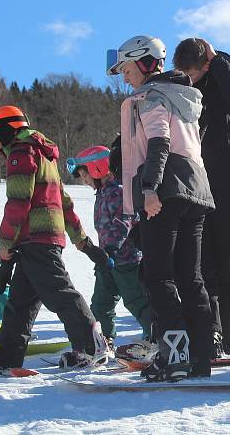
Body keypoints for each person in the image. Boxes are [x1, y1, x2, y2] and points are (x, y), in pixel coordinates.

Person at [109, 34, 214, 381]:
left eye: (126, 69)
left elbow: (159, 142)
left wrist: (150, 188)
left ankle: (175, 356)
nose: (125, 77)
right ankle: (201, 355)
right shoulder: (182, 97)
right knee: (190, 275)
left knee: (158, 275)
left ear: (142, 62)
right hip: (196, 190)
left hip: (165, 190)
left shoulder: (152, 98)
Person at [0, 105, 108, 373]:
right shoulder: (43, 154)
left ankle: (92, 347)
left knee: (59, 292)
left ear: (6, 130)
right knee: (20, 302)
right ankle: (5, 355)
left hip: (35, 237)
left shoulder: (20, 153)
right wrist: (83, 241)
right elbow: (63, 201)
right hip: (42, 237)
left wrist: (5, 245)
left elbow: (17, 202)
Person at [172, 38, 230, 358]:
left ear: (206, 64)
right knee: (202, 266)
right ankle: (212, 334)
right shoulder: (185, 88)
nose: (187, 79)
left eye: (190, 72)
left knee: (229, 264)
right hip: (198, 184)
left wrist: (217, 62)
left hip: (229, 185)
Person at [66, 145, 152, 349]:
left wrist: (112, 249)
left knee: (136, 301)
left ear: (97, 169)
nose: (85, 181)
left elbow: (124, 222)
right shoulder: (103, 192)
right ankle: (103, 341)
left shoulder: (118, 191)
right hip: (107, 261)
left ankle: (156, 334)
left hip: (126, 260)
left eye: (85, 176)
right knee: (101, 304)